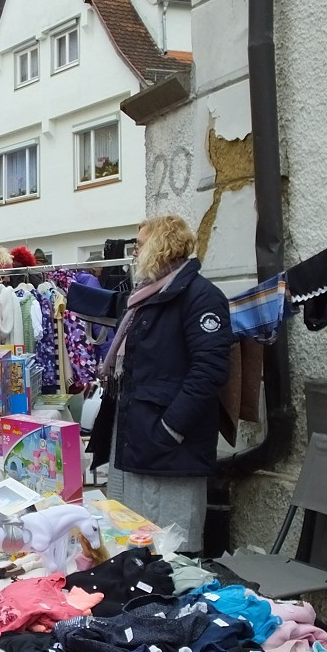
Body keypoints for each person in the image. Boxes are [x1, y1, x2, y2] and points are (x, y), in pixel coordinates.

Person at [89, 215, 232, 555]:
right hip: (136, 435)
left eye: (139, 245)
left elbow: (209, 371)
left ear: (160, 245)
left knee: (170, 548)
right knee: (132, 541)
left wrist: (171, 429)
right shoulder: (147, 296)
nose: (135, 253)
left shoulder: (201, 297)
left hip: (169, 445)